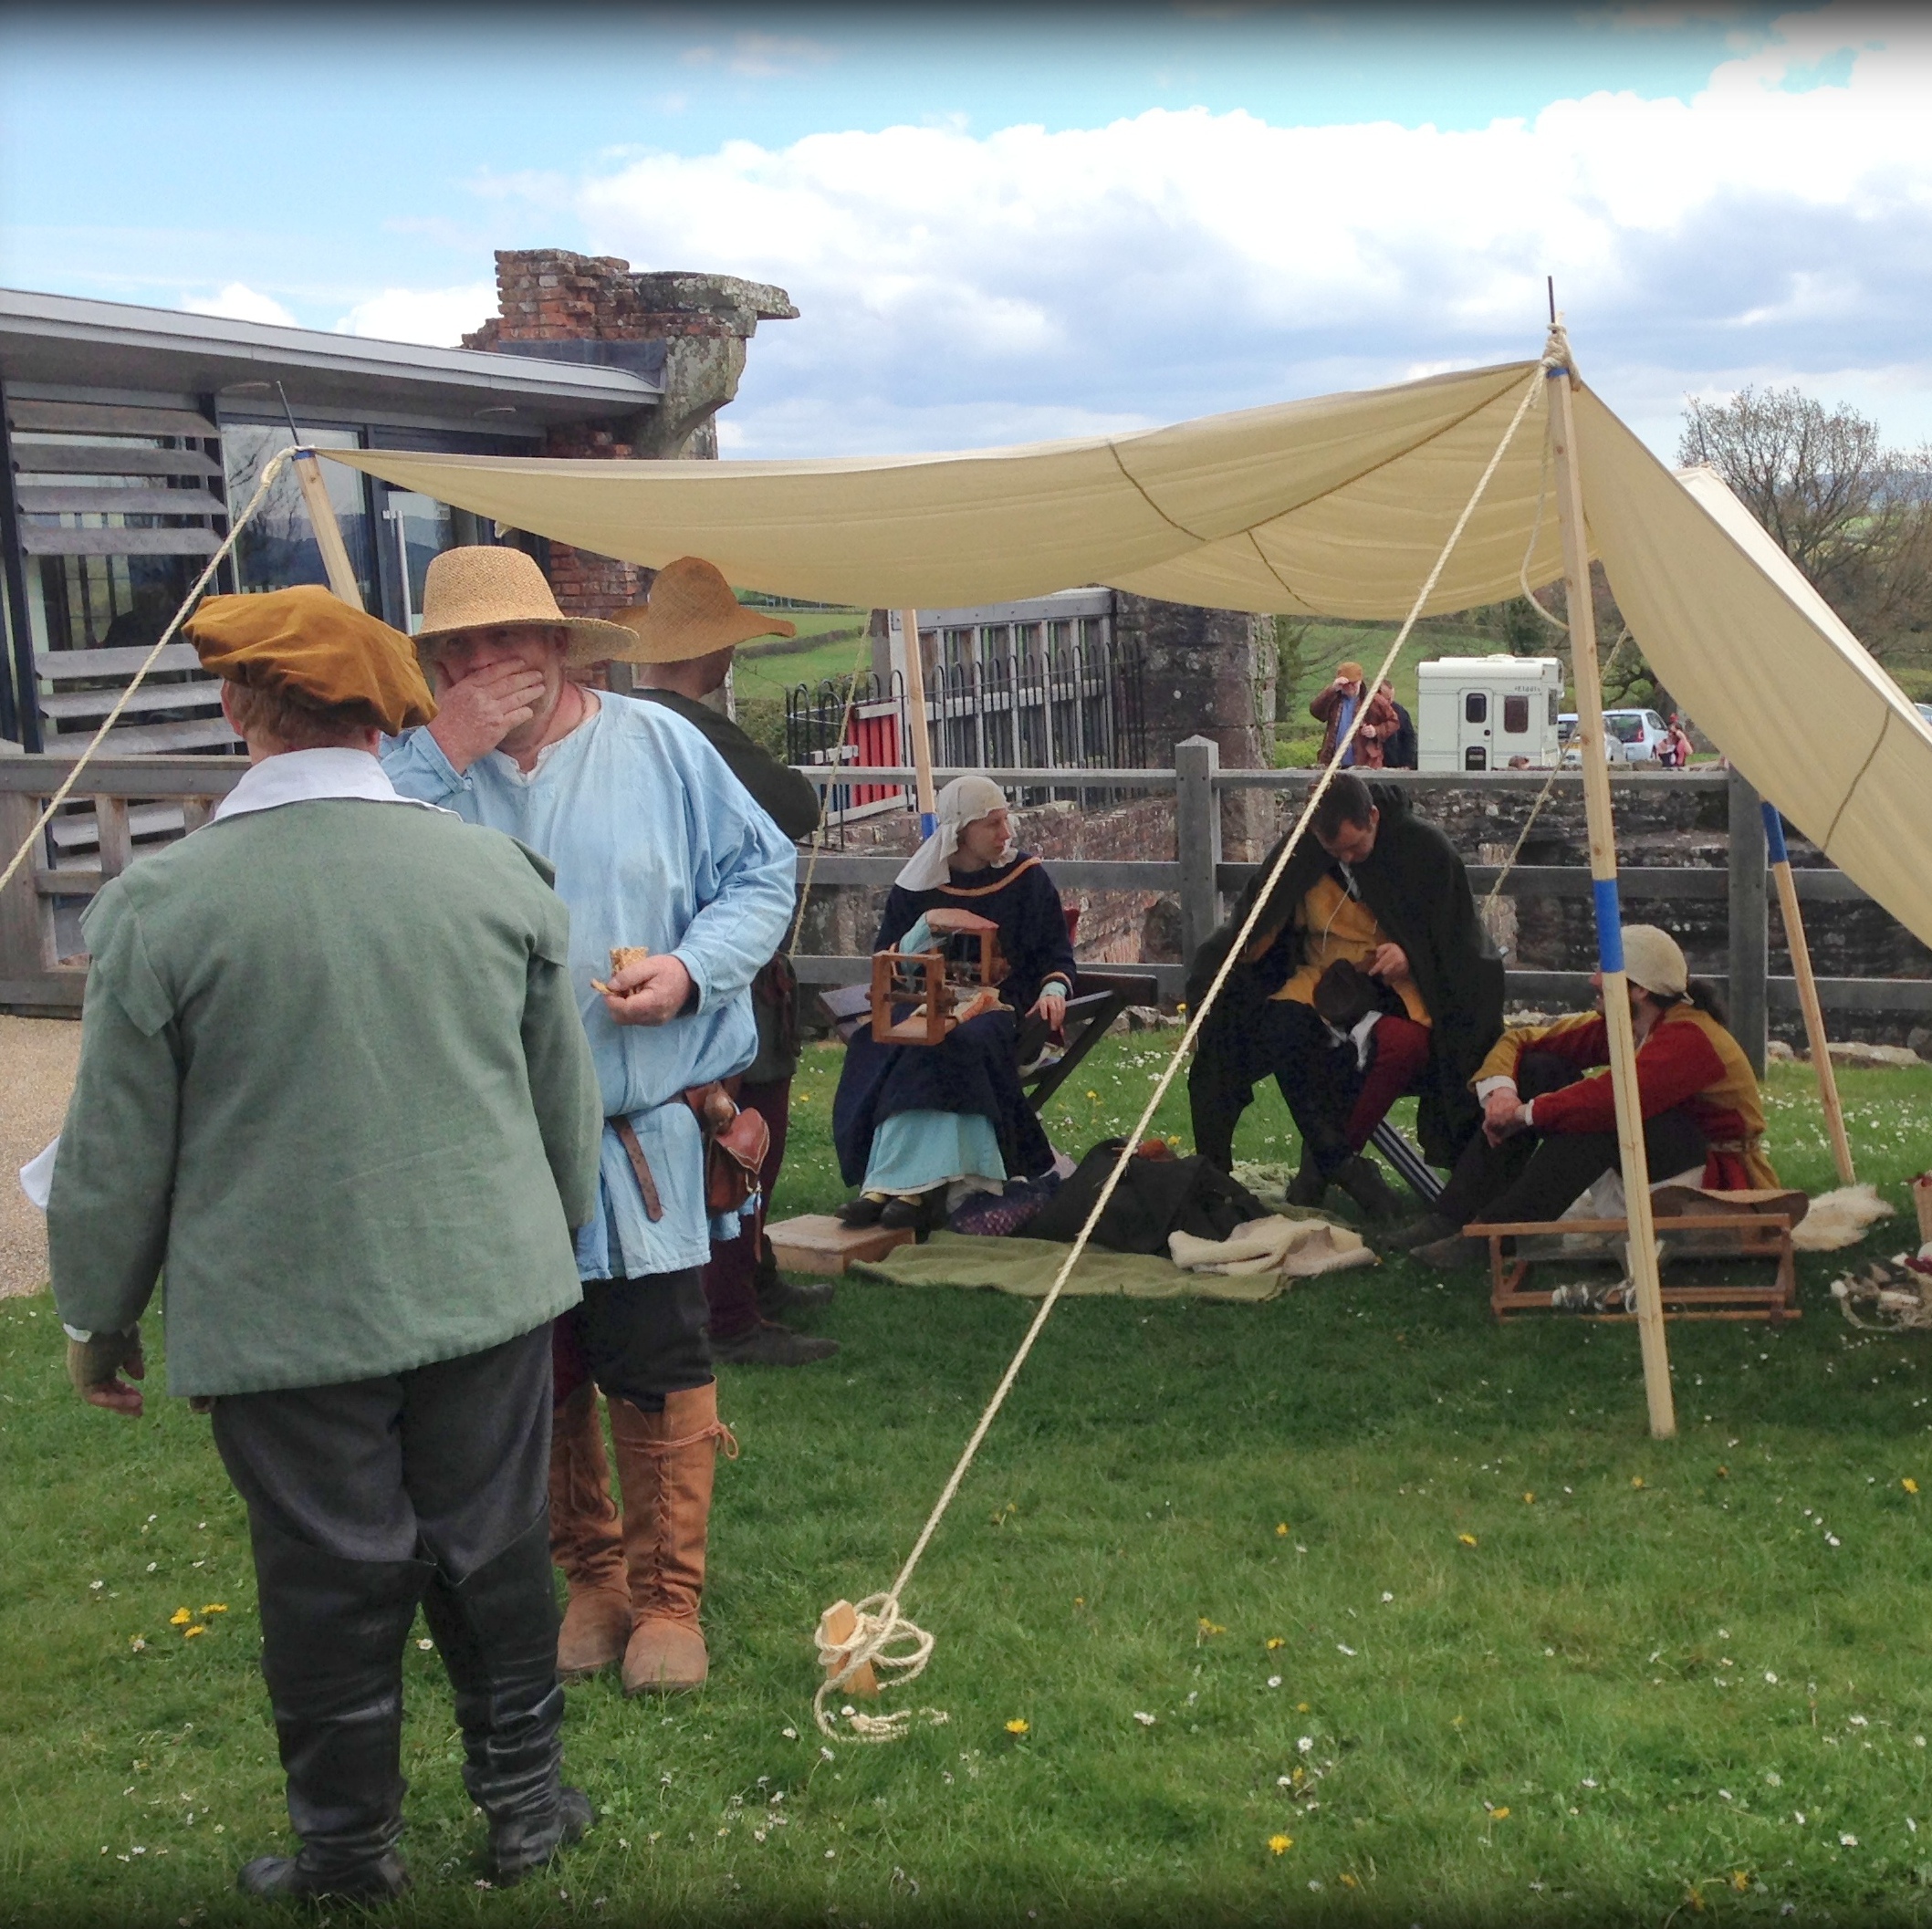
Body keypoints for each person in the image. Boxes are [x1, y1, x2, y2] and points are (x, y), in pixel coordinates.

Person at [46, 586, 604, 1900]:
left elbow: (115, 1154)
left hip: (282, 1309)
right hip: (486, 1284)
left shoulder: (162, 906)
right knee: (494, 1542)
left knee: (324, 1572)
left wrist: (98, 1320)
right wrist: (547, 1244)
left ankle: (349, 1855)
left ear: (236, 705)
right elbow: (561, 1114)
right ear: (386, 716)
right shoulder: (494, 875)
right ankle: (526, 1809)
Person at [382, 546, 797, 1696]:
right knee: (541, 1364)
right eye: (456, 648)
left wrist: (690, 969)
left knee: (655, 1355)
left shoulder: (660, 745)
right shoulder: (412, 773)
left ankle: (668, 1599)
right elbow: (344, 865)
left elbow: (761, 873)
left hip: (641, 1129)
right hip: (494, 1138)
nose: (482, 664)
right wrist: (443, 750)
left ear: (558, 645)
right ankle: (594, 1575)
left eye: (504, 639)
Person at [617, 557, 838, 1369]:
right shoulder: (693, 731)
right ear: (711, 650)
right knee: (740, 1135)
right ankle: (731, 1313)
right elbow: (794, 806)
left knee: (716, 1132)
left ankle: (752, 1278)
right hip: (713, 959)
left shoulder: (612, 722)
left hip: (658, 955)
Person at [1187, 773, 1503, 1217]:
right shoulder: (1304, 851)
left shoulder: (1423, 849)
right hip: (1322, 981)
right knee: (1272, 1028)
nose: (1348, 859)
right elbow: (1257, 921)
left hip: (1394, 986)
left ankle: (1323, 1166)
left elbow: (1457, 939)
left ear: (1372, 816)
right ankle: (1338, 1165)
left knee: (1401, 1046)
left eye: (1355, 847)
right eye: (1335, 852)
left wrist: (1410, 956)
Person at [1389, 925, 1778, 1267]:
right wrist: (1502, 1096)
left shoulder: (1691, 1038)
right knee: (1541, 1068)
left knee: (1603, 1120)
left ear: (1639, 989)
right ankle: (1452, 1214)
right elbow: (1522, 1040)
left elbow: (1612, 1098)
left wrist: (1524, 1115)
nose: (1593, 980)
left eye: (1604, 970)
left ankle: (1496, 1235)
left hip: (1711, 1176)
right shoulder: (1630, 1022)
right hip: (1656, 1155)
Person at [831, 776, 1076, 1233]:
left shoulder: (1026, 878)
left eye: (1006, 820)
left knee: (952, 1042)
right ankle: (899, 1188)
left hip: (1000, 1008)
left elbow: (1056, 954)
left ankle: (898, 1188)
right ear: (960, 830)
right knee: (886, 1039)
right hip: (922, 999)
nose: (1006, 833)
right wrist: (927, 924)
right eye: (993, 824)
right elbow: (891, 963)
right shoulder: (918, 885)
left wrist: (1054, 990)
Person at [1310, 659, 1398, 769]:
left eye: (1354, 683)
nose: (1350, 687)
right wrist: (1331, 690)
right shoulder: (1334, 698)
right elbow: (1315, 711)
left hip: (1365, 764)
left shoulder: (1374, 700)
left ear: (1360, 681)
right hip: (1334, 764)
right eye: (1346, 684)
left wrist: (1376, 730)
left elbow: (1394, 721)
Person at [1380, 678, 1418, 770]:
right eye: (1387, 699)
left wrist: (1408, 763)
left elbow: (1409, 737)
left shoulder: (1400, 712)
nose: (1390, 702)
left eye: (1391, 698)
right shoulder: (1369, 711)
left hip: (1397, 762)